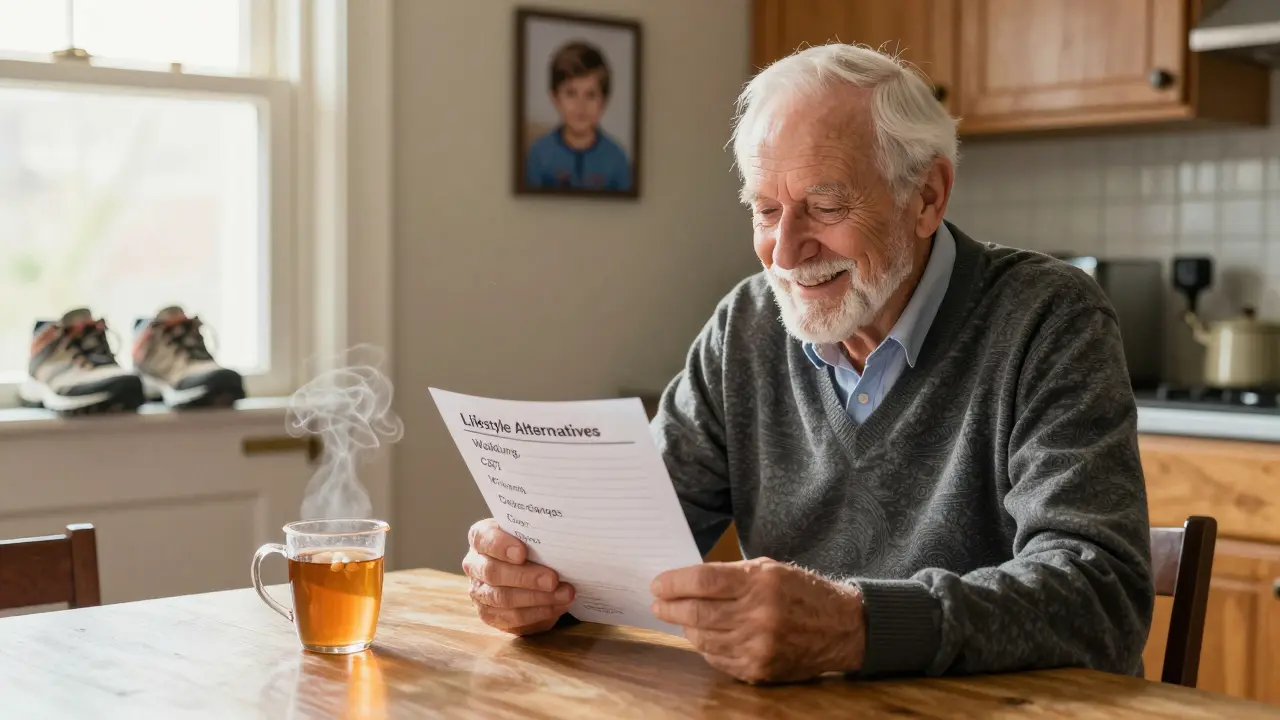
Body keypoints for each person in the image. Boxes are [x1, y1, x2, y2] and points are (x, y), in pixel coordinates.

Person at [464, 43, 1154, 683]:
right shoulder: (747, 324)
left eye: (824, 206)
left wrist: (856, 626)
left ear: (927, 197)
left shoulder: (1048, 318)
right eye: (766, 211)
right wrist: (539, 584)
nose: (786, 253)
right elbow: (625, 545)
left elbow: (1101, 597)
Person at [524, 41, 632, 192]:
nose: (581, 105)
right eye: (571, 94)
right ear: (555, 98)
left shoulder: (617, 159)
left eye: (591, 95)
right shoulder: (539, 155)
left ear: (603, 102)